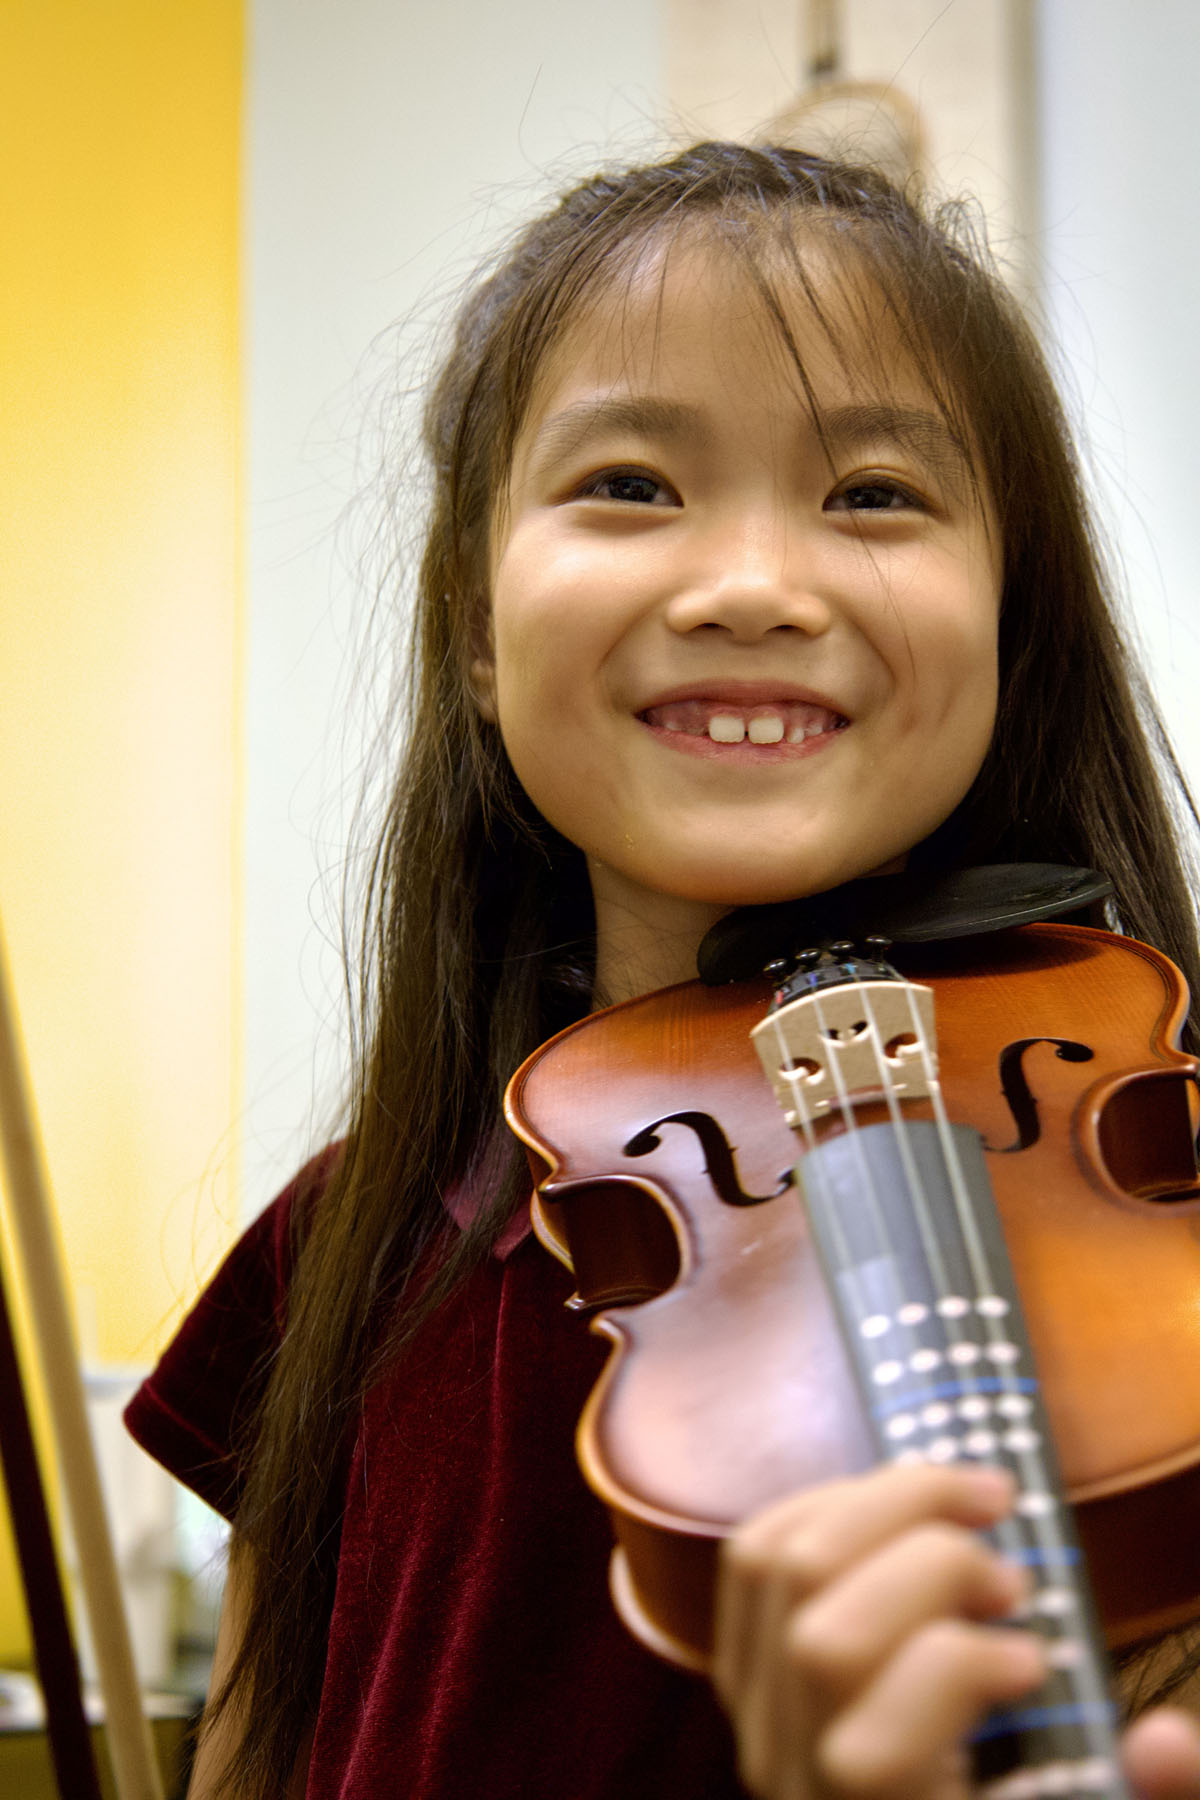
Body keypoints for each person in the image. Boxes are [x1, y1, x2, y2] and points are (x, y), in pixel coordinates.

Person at [125, 141, 1200, 1800]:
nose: (754, 587)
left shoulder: (1167, 1220)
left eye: (874, 495)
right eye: (628, 484)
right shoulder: (345, 1240)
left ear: (1015, 627)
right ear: (479, 632)